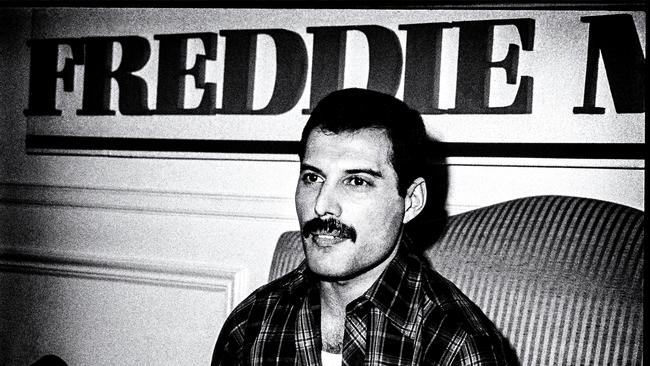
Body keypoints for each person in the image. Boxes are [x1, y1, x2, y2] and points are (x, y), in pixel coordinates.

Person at [212, 88, 518, 365]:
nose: (322, 204)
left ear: (410, 201)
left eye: (356, 181)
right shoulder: (251, 323)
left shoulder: (458, 347)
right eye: (312, 178)